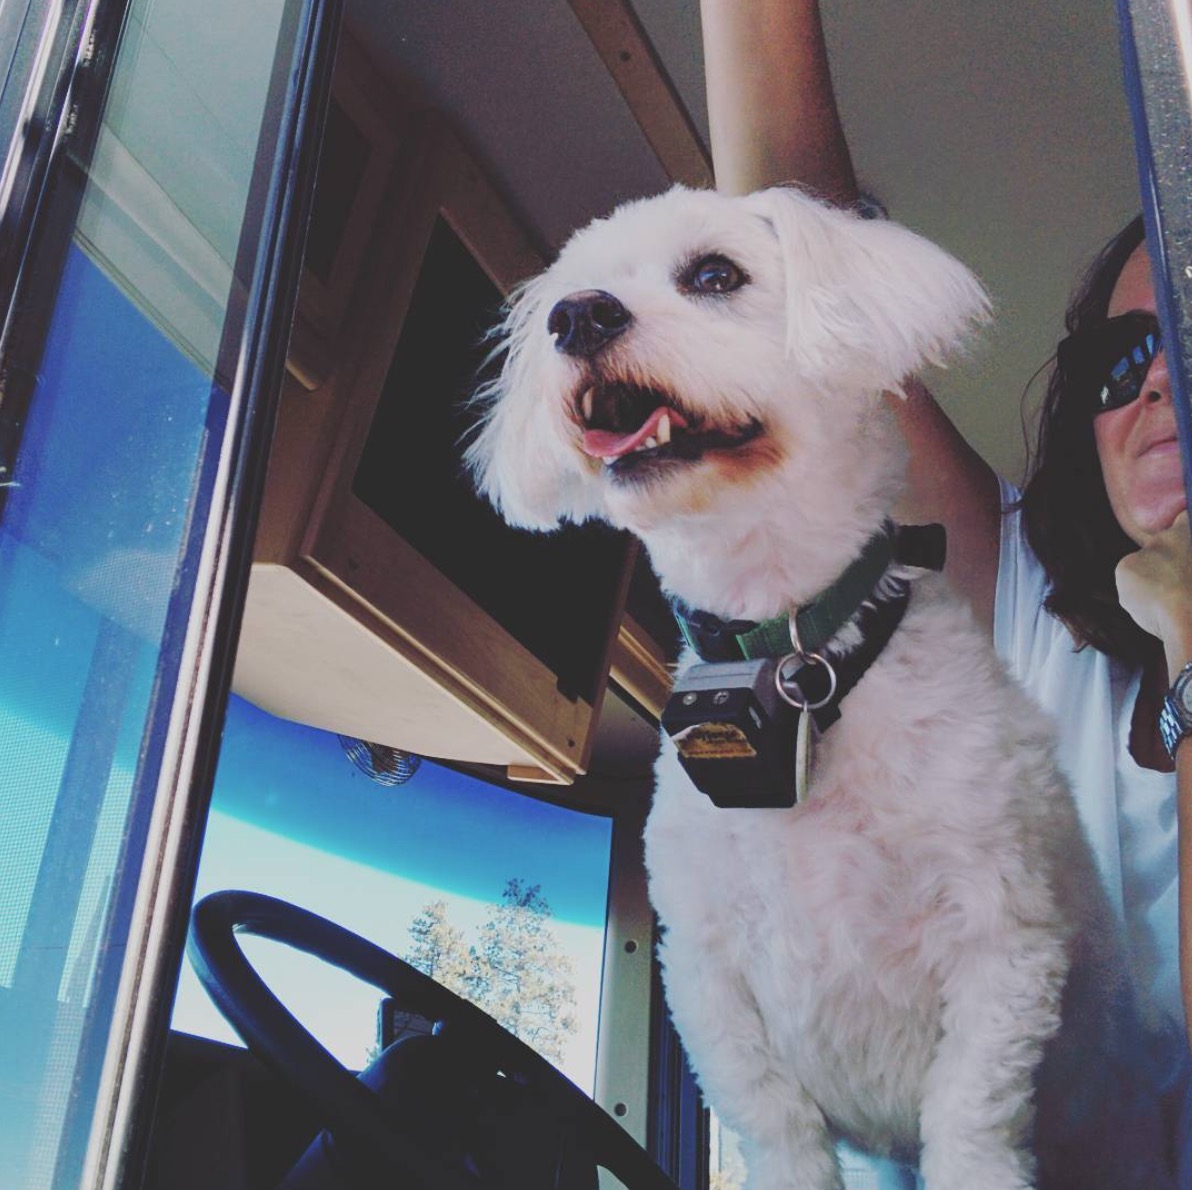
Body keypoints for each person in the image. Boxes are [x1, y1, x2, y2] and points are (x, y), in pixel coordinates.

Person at [697, 0, 1192, 1180]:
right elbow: (809, 302)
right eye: (1123, 358)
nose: (1159, 377)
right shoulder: (1022, 600)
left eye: (1187, 327)